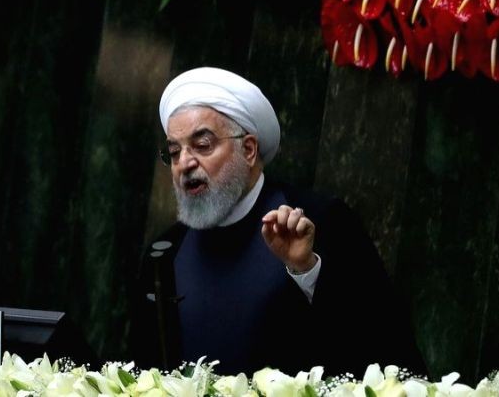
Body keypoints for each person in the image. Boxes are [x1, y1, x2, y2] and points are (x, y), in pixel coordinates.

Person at [130, 66, 425, 378]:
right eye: (174, 152)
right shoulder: (165, 253)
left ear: (248, 149)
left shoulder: (320, 221)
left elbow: (383, 348)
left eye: (202, 145)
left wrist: (307, 271)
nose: (185, 164)